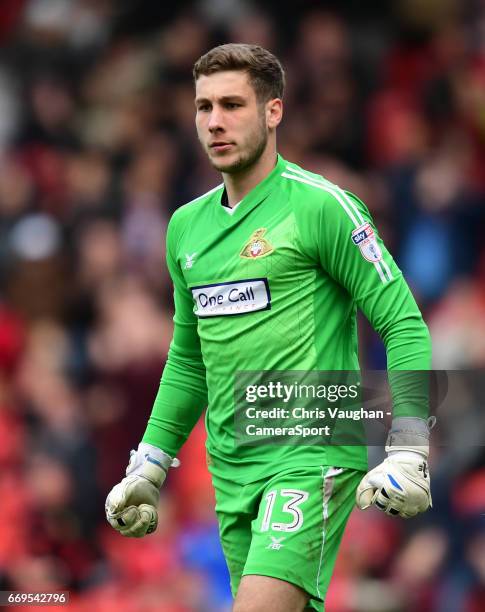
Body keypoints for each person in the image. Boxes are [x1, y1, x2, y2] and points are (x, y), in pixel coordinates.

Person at [105, 44, 433, 611]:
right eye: (204, 107)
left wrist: (410, 445)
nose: (214, 122)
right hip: (231, 470)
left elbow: (402, 322)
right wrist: (151, 461)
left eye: (232, 104)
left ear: (273, 112)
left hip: (311, 449)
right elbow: (188, 359)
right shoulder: (185, 228)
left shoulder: (322, 207)